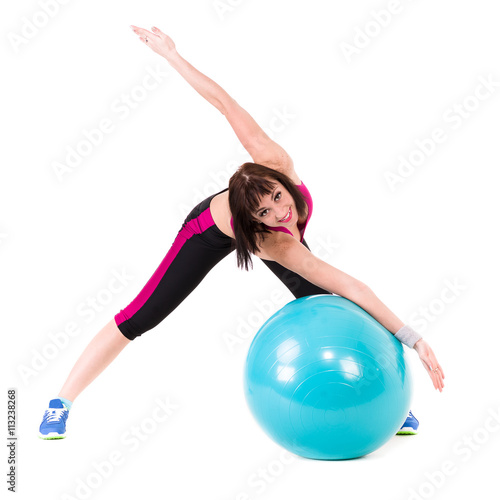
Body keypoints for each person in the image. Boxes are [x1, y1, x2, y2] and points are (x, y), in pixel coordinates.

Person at [38, 25, 444, 440]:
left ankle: (389, 406)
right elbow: (351, 283)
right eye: (266, 212)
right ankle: (59, 404)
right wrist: (413, 339)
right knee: (141, 315)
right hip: (206, 232)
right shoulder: (275, 239)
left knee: (324, 302)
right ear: (256, 220)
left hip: (255, 212)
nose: (281, 213)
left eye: (279, 199)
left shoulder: (274, 160)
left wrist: (172, 55)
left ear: (281, 180)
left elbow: (223, 101)